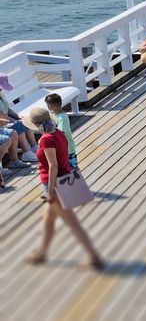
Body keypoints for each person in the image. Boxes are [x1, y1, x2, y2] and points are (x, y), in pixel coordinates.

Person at [24, 107, 103, 271]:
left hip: (56, 184)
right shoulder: (59, 133)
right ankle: (42, 252)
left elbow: (52, 166)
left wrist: (51, 191)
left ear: (36, 125)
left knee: (72, 223)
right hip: (64, 177)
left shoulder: (46, 140)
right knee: (48, 219)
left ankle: (93, 256)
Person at [44, 93, 77, 169]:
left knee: (72, 169)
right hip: (63, 147)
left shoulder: (62, 118)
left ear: (50, 106)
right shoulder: (56, 115)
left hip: (67, 148)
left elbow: (61, 132)